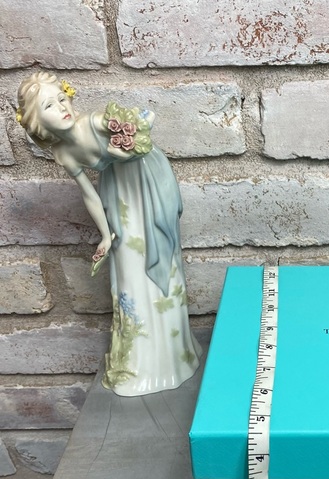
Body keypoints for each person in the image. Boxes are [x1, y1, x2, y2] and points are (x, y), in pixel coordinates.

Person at [17, 72, 201, 396]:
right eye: (49, 105)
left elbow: (143, 128)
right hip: (117, 192)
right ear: (37, 122)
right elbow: (88, 194)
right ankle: (141, 358)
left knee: (158, 251)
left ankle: (174, 354)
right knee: (129, 266)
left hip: (146, 179)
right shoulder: (63, 152)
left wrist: (126, 145)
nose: (62, 107)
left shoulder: (94, 122)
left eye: (61, 98)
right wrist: (105, 235)